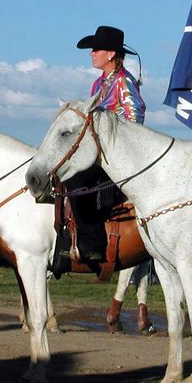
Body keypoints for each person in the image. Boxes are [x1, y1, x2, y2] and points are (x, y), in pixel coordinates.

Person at [64, 25, 146, 261]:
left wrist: (112, 137)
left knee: (77, 180)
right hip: (98, 151)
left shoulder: (124, 82)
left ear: (111, 53)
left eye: (96, 49)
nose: (91, 53)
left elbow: (136, 115)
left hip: (116, 154)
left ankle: (94, 244)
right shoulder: (98, 84)